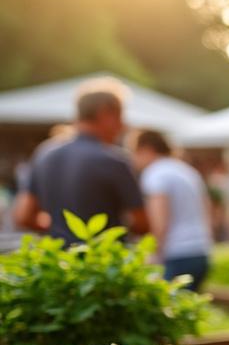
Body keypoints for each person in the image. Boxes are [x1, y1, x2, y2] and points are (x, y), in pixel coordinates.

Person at [16, 80, 147, 242]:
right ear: (106, 114)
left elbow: (23, 216)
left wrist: (61, 229)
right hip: (103, 261)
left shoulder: (45, 153)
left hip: (59, 261)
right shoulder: (114, 160)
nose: (122, 126)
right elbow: (142, 224)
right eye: (120, 117)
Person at [129, 129, 215, 290]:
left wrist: (152, 253)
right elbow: (207, 210)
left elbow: (160, 222)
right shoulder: (187, 170)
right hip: (201, 250)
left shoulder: (156, 174)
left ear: (147, 149)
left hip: (176, 253)